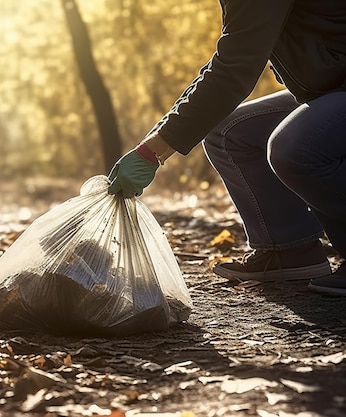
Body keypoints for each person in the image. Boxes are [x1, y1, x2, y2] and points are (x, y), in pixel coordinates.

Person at [107, 0, 346, 296]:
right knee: (230, 132)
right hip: (333, 89)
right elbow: (233, 58)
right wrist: (155, 142)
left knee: (295, 146)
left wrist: (152, 151)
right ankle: (290, 250)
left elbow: (235, 68)